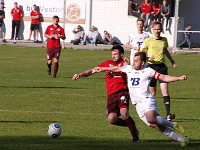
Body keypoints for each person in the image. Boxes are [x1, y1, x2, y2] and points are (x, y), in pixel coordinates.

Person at [95, 51, 189, 147]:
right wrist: (103, 68)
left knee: (150, 117)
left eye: (136, 61)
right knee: (154, 125)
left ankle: (173, 124)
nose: (134, 62)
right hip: (137, 104)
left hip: (147, 100)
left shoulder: (148, 71)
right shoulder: (129, 69)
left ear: (142, 63)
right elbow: (116, 68)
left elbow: (163, 77)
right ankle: (182, 139)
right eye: (133, 60)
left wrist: (178, 78)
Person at [72, 45, 139, 142]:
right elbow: (93, 70)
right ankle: (131, 125)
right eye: (112, 54)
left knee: (124, 113)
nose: (113, 56)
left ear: (121, 55)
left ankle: (135, 137)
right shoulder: (107, 63)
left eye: (115, 54)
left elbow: (137, 65)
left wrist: (128, 63)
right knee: (111, 119)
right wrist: (80, 74)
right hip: (111, 95)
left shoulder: (125, 63)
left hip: (122, 92)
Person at [140, 21, 176, 121]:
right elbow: (141, 52)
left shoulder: (164, 40)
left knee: (165, 91)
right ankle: (151, 112)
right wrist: (147, 58)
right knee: (152, 92)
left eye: (159, 29)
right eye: (155, 29)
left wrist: (172, 61)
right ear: (152, 29)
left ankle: (168, 114)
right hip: (151, 68)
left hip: (162, 67)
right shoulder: (148, 40)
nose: (157, 31)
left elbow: (165, 51)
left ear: (161, 29)